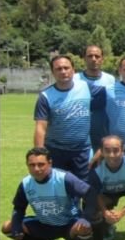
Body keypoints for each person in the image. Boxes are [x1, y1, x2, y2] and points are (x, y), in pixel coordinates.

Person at [2, 147, 95, 240]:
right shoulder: (26, 183)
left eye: (41, 164)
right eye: (32, 165)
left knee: (85, 227)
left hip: (69, 224)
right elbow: (19, 208)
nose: (36, 169)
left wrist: (86, 218)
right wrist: (16, 226)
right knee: (8, 227)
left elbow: (90, 194)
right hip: (44, 224)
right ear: (27, 165)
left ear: (50, 163)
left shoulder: (64, 178)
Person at [33, 54, 106, 182]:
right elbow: (40, 127)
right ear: (53, 72)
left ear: (73, 70)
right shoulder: (45, 96)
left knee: (86, 189)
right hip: (56, 151)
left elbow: (112, 91)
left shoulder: (86, 87)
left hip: (82, 151)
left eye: (66, 68)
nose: (63, 71)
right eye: (59, 69)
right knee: (59, 188)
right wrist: (40, 155)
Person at [74, 44, 115, 151]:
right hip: (78, 132)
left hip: (103, 132)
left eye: (97, 56)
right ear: (84, 58)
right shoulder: (75, 79)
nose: (94, 59)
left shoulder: (110, 79)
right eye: (90, 56)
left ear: (102, 59)